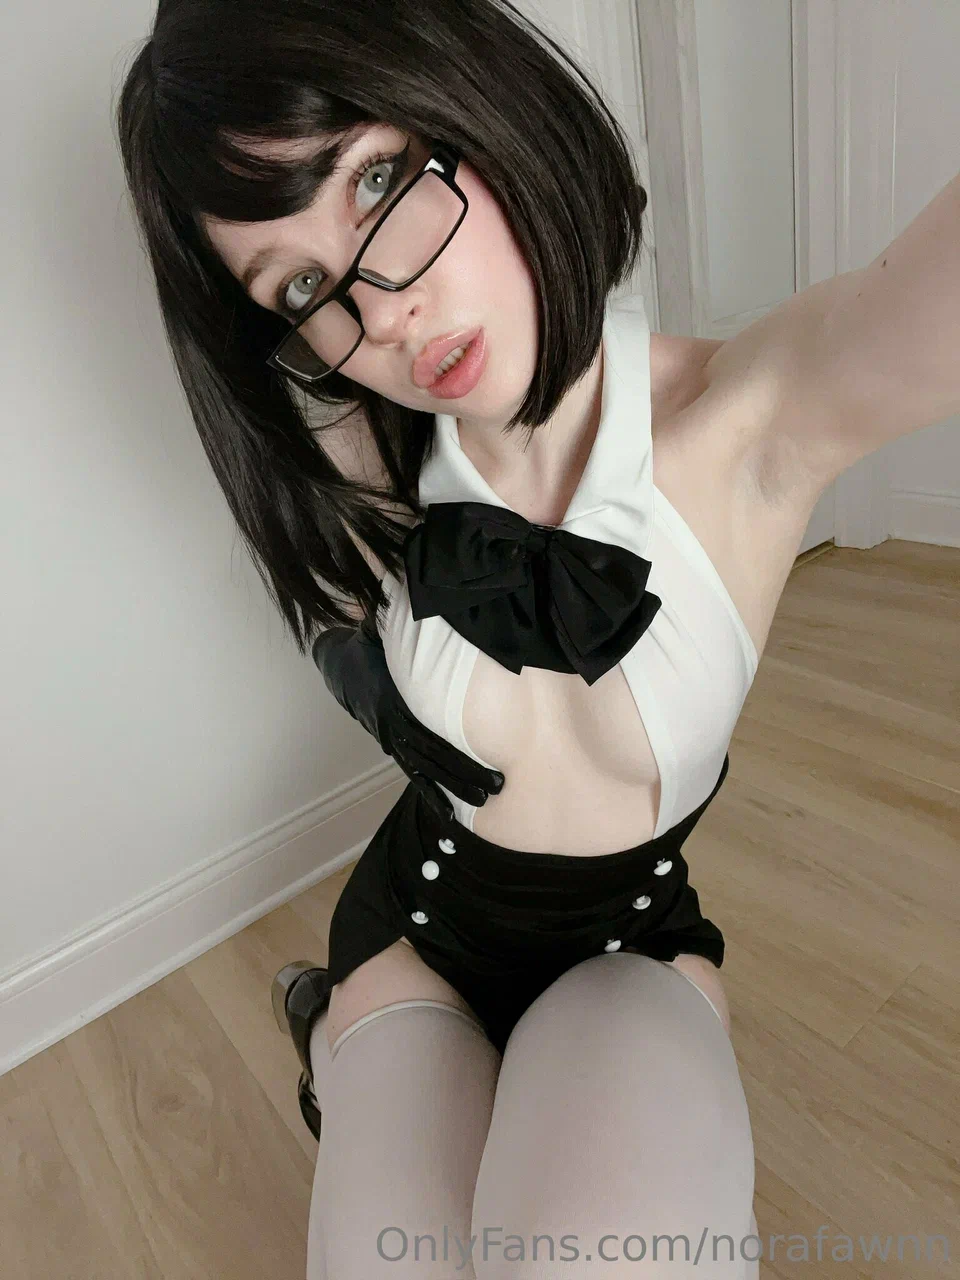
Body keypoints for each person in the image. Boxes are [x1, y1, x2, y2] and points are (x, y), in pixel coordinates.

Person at [116, 1, 772, 1273]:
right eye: (303, 284)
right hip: (413, 927)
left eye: (375, 181)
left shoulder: (738, 422)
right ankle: (334, 1021)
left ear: (473, 97)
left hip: (629, 940)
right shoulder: (369, 447)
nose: (385, 311)